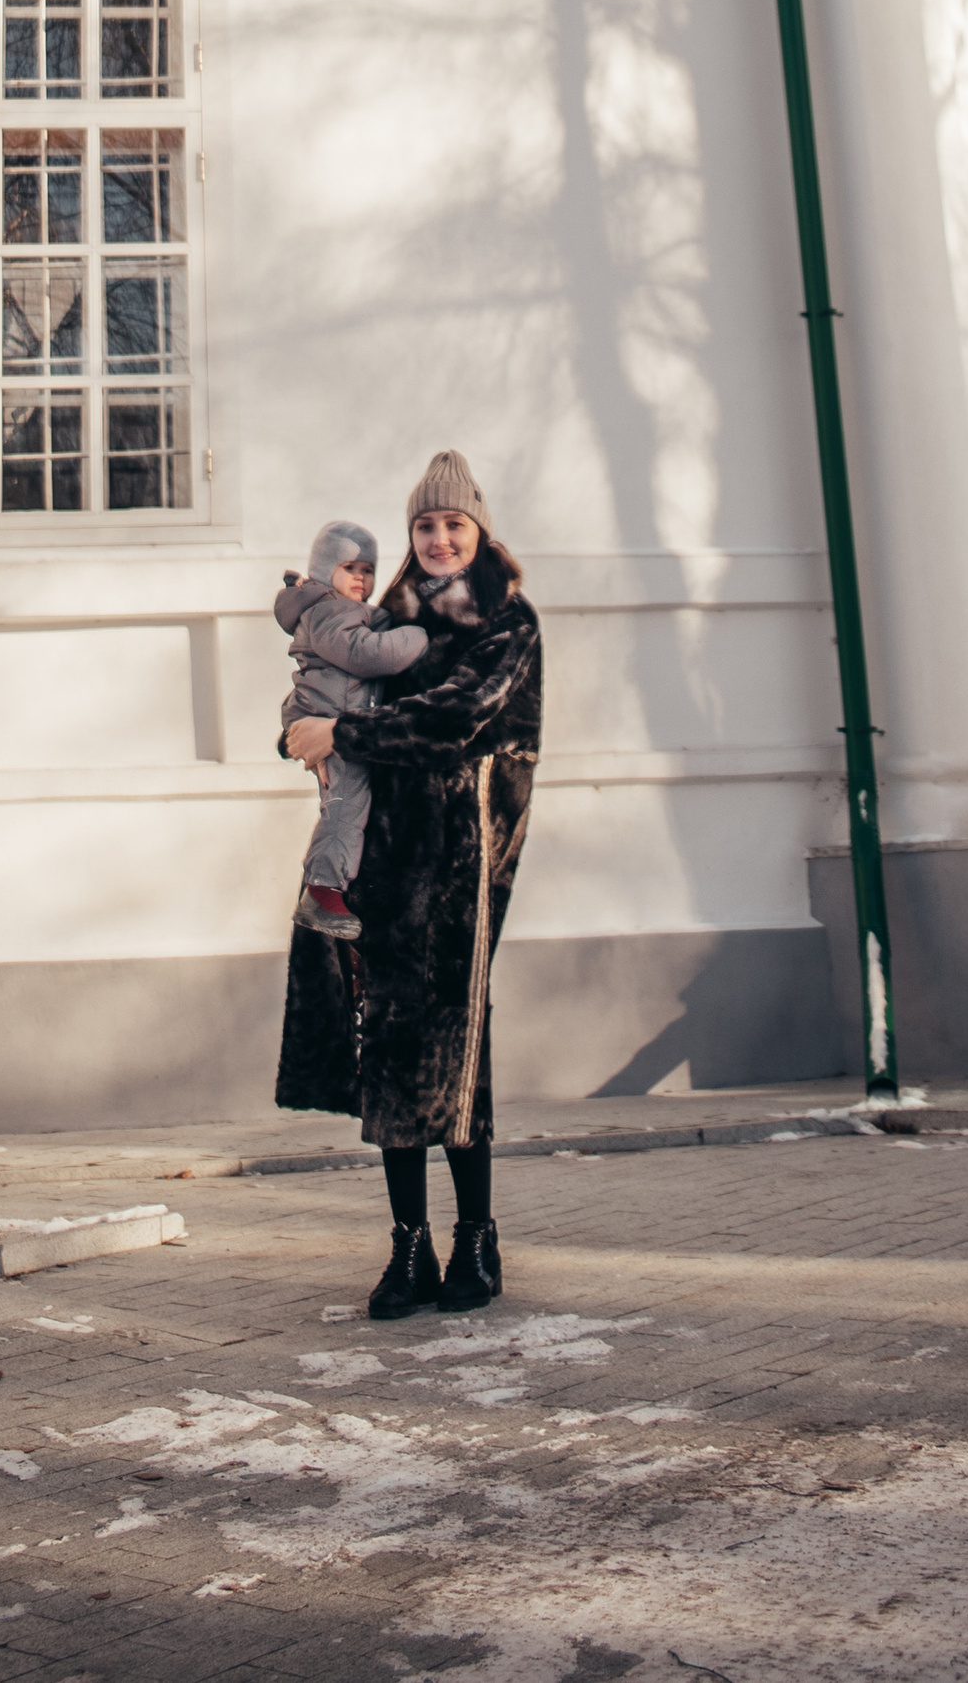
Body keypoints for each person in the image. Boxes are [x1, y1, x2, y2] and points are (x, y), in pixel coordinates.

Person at [274, 449, 542, 1322]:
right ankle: (408, 1246)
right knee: (388, 1044)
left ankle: (474, 1238)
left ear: (478, 531)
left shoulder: (508, 623)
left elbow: (450, 720)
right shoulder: (383, 614)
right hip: (387, 857)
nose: (436, 539)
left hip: (467, 853)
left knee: (456, 1044)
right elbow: (320, 684)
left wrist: (339, 734)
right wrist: (299, 728)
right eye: (423, 526)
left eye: (451, 525)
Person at [274, 521, 432, 938]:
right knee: (346, 806)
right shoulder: (329, 610)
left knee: (345, 803)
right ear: (327, 570)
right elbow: (363, 655)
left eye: (368, 570)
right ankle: (323, 890)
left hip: (328, 713)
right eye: (350, 567)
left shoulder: (333, 608)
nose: (361, 578)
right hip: (333, 725)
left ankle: (328, 884)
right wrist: (416, 636)